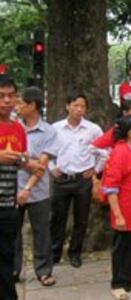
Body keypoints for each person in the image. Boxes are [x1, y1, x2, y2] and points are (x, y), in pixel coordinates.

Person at [50, 94, 104, 268]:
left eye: (82, 106)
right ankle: (54, 253)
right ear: (67, 106)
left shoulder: (93, 129)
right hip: (62, 179)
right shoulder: (56, 128)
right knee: (58, 217)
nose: (79, 109)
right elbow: (46, 151)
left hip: (83, 180)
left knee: (81, 219)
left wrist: (95, 169)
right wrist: (52, 168)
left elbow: (105, 152)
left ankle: (75, 253)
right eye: (75, 105)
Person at [101, 116, 131, 300]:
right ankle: (119, 283)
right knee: (123, 246)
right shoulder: (119, 153)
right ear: (130, 133)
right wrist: (118, 214)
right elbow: (111, 187)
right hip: (125, 208)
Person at [13, 87, 58, 287]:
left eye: (21, 103)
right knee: (11, 232)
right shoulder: (13, 127)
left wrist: (27, 188)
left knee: (42, 232)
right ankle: (12, 270)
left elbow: (41, 167)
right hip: (11, 188)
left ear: (32, 105)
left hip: (37, 191)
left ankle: (44, 271)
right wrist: (26, 161)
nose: (17, 106)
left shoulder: (49, 131)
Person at [0, 74, 28, 299]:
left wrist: (32, 164)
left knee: (7, 257)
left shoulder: (18, 129)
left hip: (9, 204)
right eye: (1, 96)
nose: (7, 101)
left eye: (11, 96)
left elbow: (22, 160)